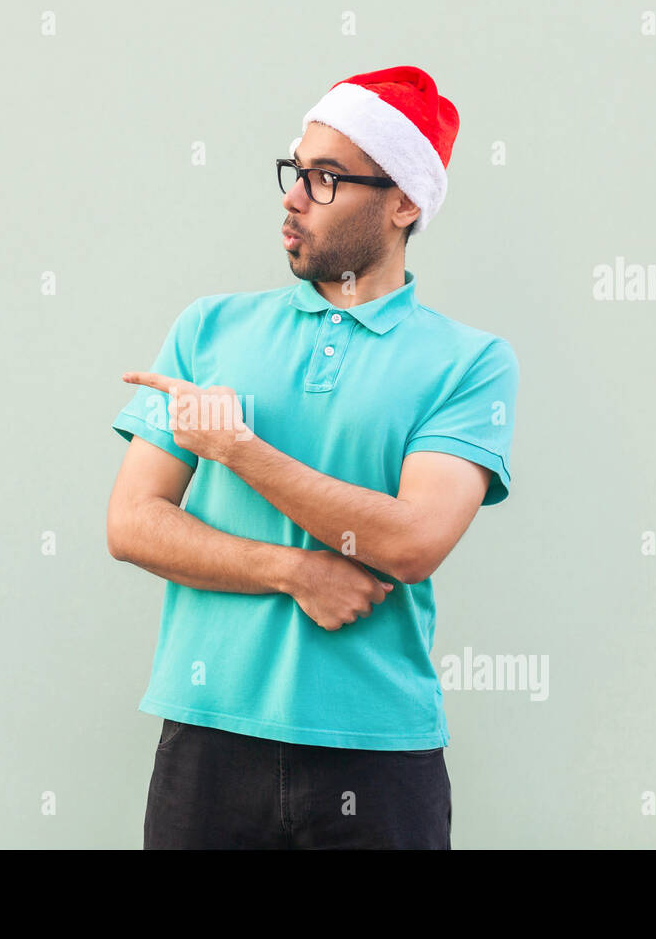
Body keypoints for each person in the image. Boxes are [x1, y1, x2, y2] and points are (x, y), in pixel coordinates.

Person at [106, 65, 519, 849]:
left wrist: (237, 450)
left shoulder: (470, 364)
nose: (294, 196)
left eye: (326, 178)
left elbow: (411, 542)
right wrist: (293, 570)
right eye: (296, 171)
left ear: (403, 202)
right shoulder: (209, 329)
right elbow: (131, 524)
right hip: (206, 740)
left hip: (381, 756)